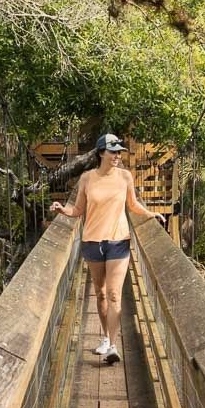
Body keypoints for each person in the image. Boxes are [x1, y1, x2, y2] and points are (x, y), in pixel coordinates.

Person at [49, 133, 164, 365]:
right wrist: (63, 210)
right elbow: (78, 210)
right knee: (100, 293)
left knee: (113, 294)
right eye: (113, 151)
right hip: (92, 242)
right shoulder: (87, 178)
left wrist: (151, 213)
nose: (117, 156)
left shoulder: (125, 177)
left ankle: (112, 346)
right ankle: (105, 336)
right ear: (101, 153)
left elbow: (132, 205)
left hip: (118, 242)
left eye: (119, 152)